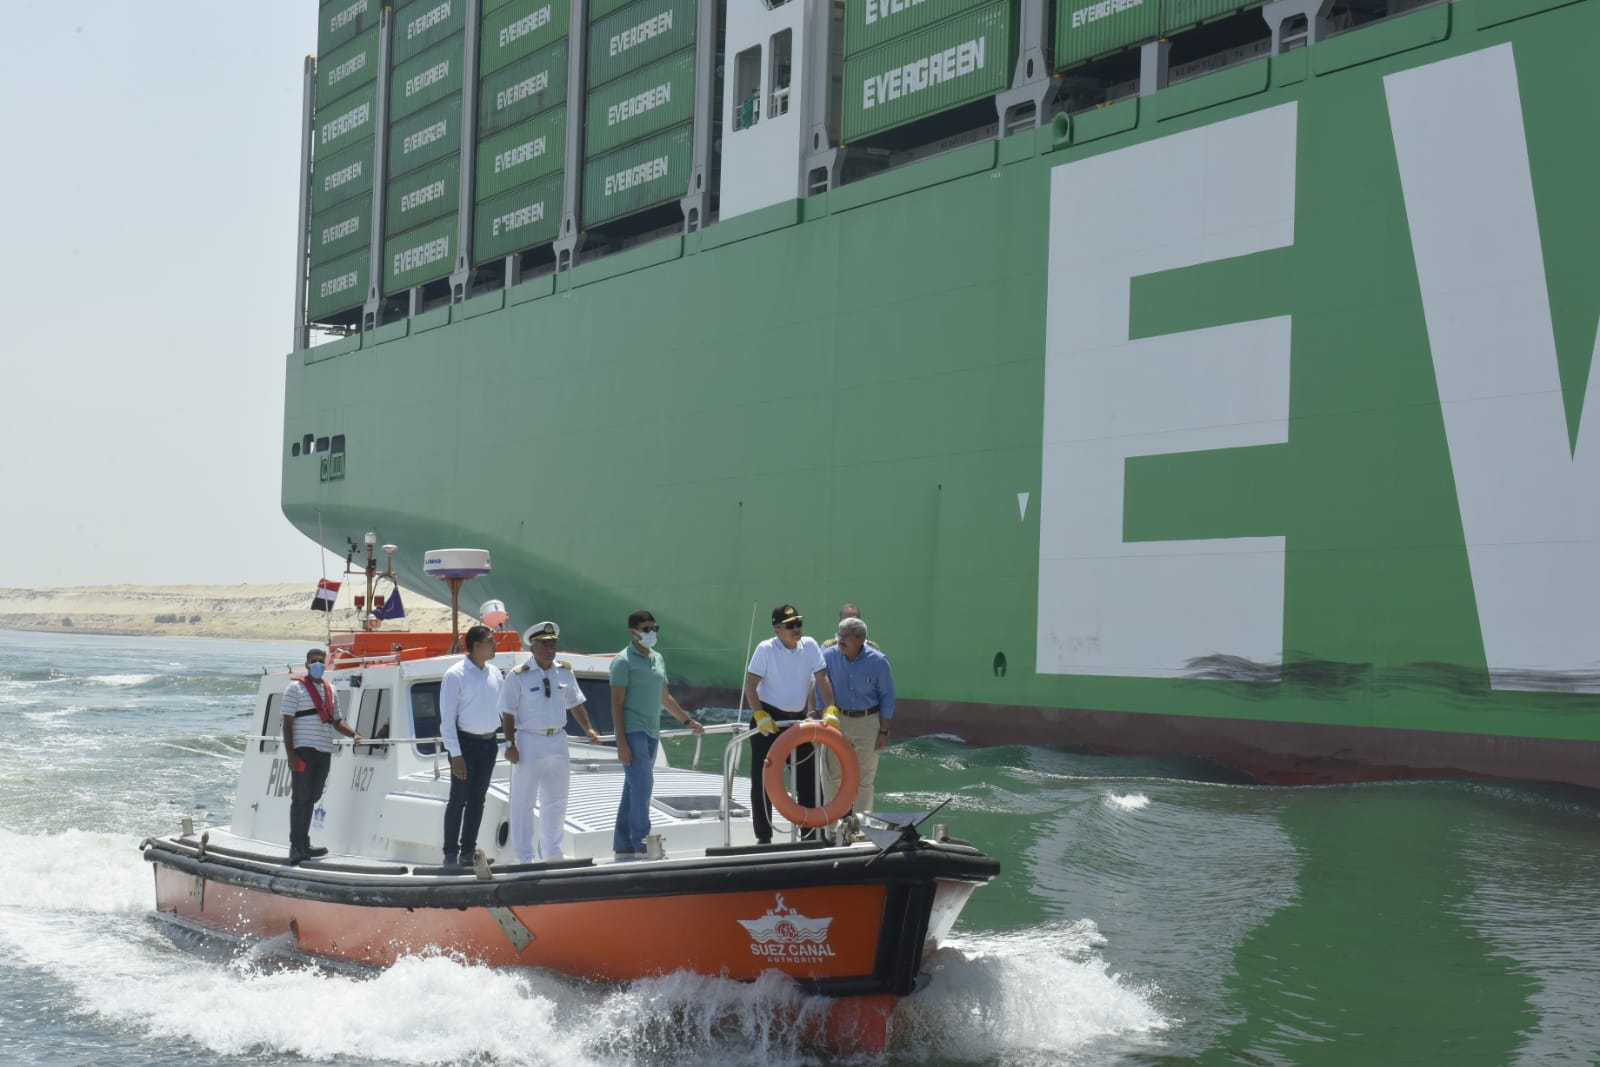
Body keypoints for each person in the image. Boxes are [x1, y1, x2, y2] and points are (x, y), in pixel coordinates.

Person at [499, 621, 601, 863]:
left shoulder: (564, 671)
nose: (549, 648)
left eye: (552, 644)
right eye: (544, 644)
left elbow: (575, 702)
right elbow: (507, 711)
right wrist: (510, 744)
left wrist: (588, 729)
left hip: (558, 738)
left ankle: (552, 851)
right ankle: (524, 856)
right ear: (532, 647)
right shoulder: (518, 675)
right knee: (523, 800)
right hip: (529, 739)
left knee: (557, 798)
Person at [609, 610, 703, 859]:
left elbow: (665, 697)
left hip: (652, 732)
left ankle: (622, 843)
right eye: (646, 629)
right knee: (643, 786)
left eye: (654, 628)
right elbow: (616, 704)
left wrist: (687, 720)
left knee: (633, 788)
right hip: (633, 731)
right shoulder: (622, 662)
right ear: (633, 632)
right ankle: (642, 842)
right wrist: (621, 743)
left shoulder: (658, 658)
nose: (652, 633)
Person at [743, 604, 838, 844]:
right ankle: (764, 836)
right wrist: (759, 714)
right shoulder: (765, 649)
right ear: (777, 630)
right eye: (790, 625)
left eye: (798, 623)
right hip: (769, 720)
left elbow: (822, 679)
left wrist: (830, 708)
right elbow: (750, 686)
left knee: (809, 779)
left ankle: (812, 836)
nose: (796, 628)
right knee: (763, 780)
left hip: (797, 721)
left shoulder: (810, 646)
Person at [281, 647, 361, 864]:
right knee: (301, 797)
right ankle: (296, 846)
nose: (317, 664)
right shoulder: (294, 688)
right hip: (304, 748)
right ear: (307, 664)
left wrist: (354, 734)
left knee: (313, 796)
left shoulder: (330, 689)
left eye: (320, 661)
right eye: (313, 661)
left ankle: (304, 843)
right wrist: (291, 755)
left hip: (324, 749)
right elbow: (287, 723)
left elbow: (337, 721)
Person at [440, 624, 503, 867]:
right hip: (464, 745)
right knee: (459, 798)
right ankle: (450, 853)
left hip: (489, 744)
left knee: (478, 799)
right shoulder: (455, 675)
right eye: (491, 641)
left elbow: (504, 708)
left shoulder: (495, 673)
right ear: (476, 645)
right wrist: (455, 754)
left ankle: (468, 852)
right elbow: (447, 719)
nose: (495, 645)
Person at [822, 615, 896, 814]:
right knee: (834, 777)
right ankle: (831, 825)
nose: (840, 640)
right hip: (838, 720)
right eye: (839, 635)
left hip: (868, 722)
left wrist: (884, 732)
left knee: (865, 780)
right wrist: (822, 716)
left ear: (860, 639)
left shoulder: (879, 662)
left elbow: (887, 697)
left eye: (845, 636)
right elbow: (821, 688)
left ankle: (862, 826)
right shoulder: (828, 657)